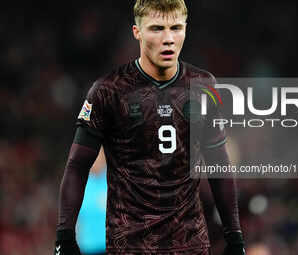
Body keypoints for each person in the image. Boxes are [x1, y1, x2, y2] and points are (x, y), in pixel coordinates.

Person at [54, 1, 245, 255]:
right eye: (157, 28)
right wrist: (65, 237)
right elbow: (77, 166)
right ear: (137, 32)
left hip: (189, 245)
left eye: (175, 28)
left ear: (186, 30)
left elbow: (219, 164)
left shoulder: (203, 85)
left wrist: (235, 238)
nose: (168, 39)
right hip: (130, 246)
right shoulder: (108, 90)